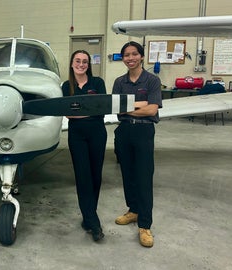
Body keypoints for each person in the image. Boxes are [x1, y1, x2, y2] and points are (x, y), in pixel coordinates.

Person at [112, 41, 162, 248]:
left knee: (143, 176)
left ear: (141, 56)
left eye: (134, 54)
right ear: (122, 58)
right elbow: (117, 110)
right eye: (126, 55)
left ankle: (145, 224)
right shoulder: (119, 82)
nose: (130, 58)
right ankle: (133, 210)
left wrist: (129, 107)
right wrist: (140, 104)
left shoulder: (151, 80)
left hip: (143, 131)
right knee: (128, 174)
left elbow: (152, 111)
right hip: (124, 131)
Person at [62, 50, 107, 242]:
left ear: (89, 65)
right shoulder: (66, 86)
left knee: (96, 176)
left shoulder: (97, 83)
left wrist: (81, 110)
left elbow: (102, 109)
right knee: (83, 176)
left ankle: (88, 217)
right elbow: (66, 112)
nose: (81, 64)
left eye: (85, 62)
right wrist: (89, 111)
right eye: (78, 61)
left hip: (97, 133)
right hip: (77, 135)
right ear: (72, 64)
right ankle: (93, 222)